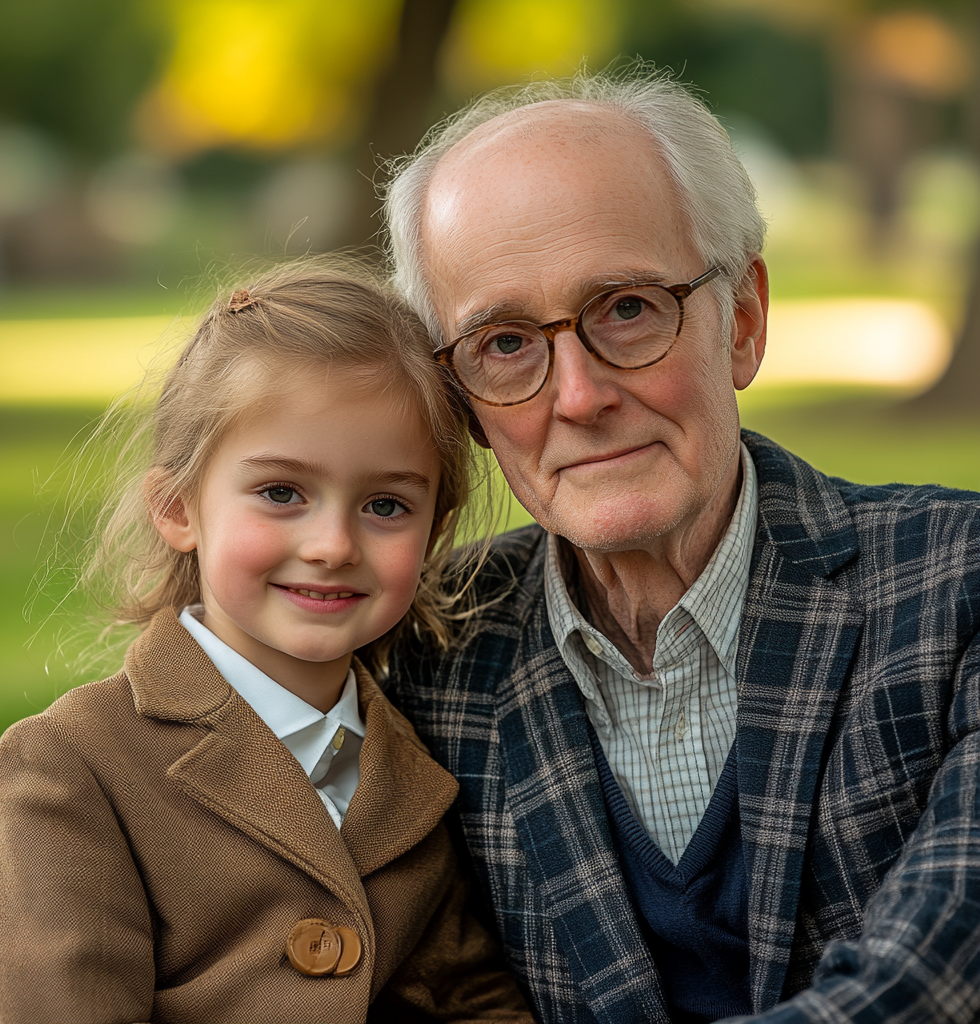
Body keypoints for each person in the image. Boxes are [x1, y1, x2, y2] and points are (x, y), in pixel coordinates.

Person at [382, 71, 980, 1024]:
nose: (577, 396)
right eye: (504, 343)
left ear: (741, 320)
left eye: (626, 308)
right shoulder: (422, 656)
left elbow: (931, 989)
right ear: (461, 403)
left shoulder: (960, 588)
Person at [0, 263, 532, 1023]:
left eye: (386, 504)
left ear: (436, 531)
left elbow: (476, 1000)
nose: (333, 544)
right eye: (281, 493)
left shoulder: (418, 766)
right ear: (178, 508)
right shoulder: (73, 764)